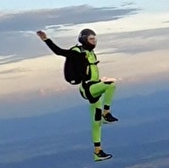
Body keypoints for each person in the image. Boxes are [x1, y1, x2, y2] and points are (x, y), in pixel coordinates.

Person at [37, 28, 119, 161]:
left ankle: (97, 152)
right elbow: (59, 52)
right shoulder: (77, 52)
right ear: (83, 39)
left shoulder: (91, 53)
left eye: (94, 39)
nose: (93, 42)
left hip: (94, 87)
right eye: (91, 39)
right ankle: (106, 112)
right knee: (111, 85)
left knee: (96, 123)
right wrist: (46, 39)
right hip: (88, 88)